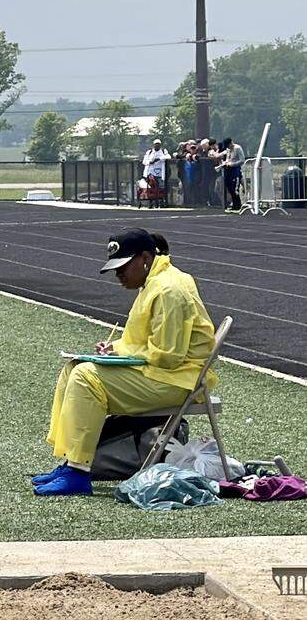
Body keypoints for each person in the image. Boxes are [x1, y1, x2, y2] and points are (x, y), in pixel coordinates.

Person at [33, 228, 218, 496]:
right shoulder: (156, 282)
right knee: (74, 367)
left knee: (86, 378)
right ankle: (72, 462)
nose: (118, 275)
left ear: (145, 258)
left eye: (123, 267)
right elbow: (147, 342)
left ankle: (78, 472)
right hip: (167, 374)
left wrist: (122, 359)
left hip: (177, 380)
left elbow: (168, 356)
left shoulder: (167, 289)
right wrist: (115, 350)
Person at [220, 137, 246, 212]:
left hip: (236, 170)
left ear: (231, 143)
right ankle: (234, 203)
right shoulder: (228, 150)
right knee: (229, 186)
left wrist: (233, 164)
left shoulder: (237, 148)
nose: (228, 147)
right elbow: (228, 158)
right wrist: (225, 163)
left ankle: (237, 205)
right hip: (228, 170)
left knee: (235, 188)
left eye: (228, 145)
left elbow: (242, 160)